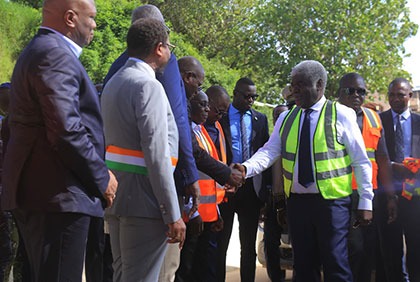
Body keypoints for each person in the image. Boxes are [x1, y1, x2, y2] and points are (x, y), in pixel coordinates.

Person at [0, 0, 118, 281]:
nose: (95, 25)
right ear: (70, 18)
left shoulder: (38, 50)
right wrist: (101, 177)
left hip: (44, 195)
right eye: (91, 17)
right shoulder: (55, 54)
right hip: (58, 196)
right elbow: (66, 129)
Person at [236, 60, 373, 282]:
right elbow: (269, 152)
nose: (293, 90)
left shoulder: (342, 114)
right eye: (292, 84)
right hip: (298, 204)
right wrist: (245, 168)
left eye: (300, 84)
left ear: (319, 85)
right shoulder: (286, 118)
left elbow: (361, 161)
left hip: (333, 203)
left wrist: (366, 202)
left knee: (336, 264)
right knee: (303, 267)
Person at [103, 6, 201, 282]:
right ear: (159, 49)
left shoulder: (114, 82)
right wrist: (173, 214)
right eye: (169, 46)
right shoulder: (149, 86)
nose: (170, 52)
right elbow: (157, 156)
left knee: (123, 275)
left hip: (119, 201)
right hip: (146, 204)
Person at [337, 73, 397, 282]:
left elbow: (383, 159)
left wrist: (390, 197)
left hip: (368, 196)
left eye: (361, 91)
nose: (356, 95)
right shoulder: (329, 117)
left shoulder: (374, 117)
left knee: (367, 250)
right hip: (338, 194)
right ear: (338, 93)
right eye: (350, 90)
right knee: (349, 250)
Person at [216, 77, 270, 282]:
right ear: (235, 94)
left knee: (248, 246)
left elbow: (266, 156)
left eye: (254, 97)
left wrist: (264, 193)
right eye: (246, 96)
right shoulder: (221, 117)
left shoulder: (260, 119)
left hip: (251, 189)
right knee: (221, 242)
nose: (250, 100)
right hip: (226, 187)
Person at [379, 78, 420, 282]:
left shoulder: (419, 122)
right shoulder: (378, 121)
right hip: (386, 195)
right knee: (390, 249)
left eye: (401, 94)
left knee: (416, 247)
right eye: (392, 94)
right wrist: (394, 166)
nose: (395, 99)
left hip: (415, 196)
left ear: (409, 96)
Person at [262, 103, 288, 282]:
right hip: (272, 203)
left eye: (284, 116)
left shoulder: (296, 141)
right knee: (270, 245)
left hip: (293, 203)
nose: (280, 119)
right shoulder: (268, 143)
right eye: (277, 116)